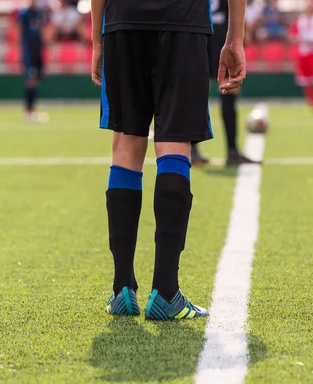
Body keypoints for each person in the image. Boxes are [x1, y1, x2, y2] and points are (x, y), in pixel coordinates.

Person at [90, 0, 247, 319]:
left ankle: (122, 289)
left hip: (124, 20)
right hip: (183, 20)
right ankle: (166, 292)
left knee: (125, 141)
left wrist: (97, 39)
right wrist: (234, 39)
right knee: (174, 142)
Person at [192, 0, 260, 167]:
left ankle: (192, 151)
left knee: (196, 92)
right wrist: (243, 31)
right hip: (223, 33)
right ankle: (232, 151)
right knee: (229, 90)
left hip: (197, 29)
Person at [289, 0, 313, 109]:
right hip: (304, 53)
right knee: (306, 80)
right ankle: (311, 103)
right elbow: (292, 36)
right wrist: (300, 40)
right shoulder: (299, 20)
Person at [18, 0, 48, 122]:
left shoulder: (40, 13)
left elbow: (42, 31)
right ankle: (29, 111)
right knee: (30, 79)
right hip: (28, 50)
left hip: (37, 50)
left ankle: (32, 110)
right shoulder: (25, 14)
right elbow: (19, 31)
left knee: (36, 80)